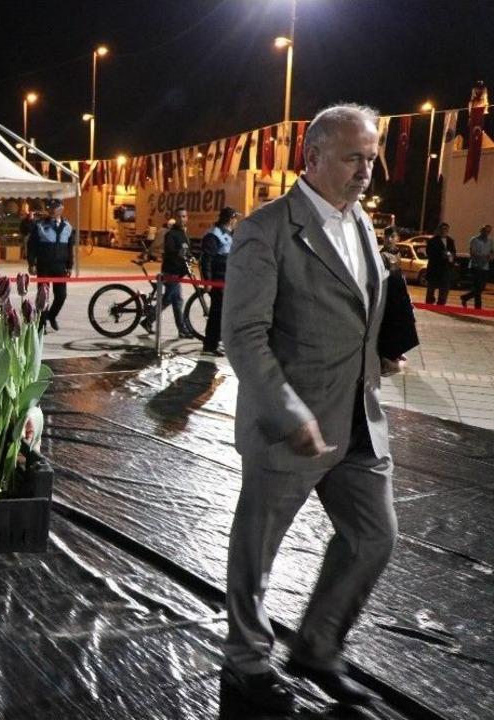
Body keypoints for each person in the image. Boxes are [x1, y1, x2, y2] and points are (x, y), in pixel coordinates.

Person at [221, 104, 404, 713]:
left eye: (371, 159)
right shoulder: (266, 229)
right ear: (314, 156)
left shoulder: (362, 225)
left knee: (374, 536)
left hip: (357, 420)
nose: (364, 172)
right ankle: (246, 663)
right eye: (354, 158)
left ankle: (317, 647)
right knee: (259, 549)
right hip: (290, 427)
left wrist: (378, 359)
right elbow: (243, 334)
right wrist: (286, 408)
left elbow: (359, 307)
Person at [26, 198, 74, 331]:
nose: (52, 210)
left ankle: (51, 316)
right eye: (50, 208)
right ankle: (41, 324)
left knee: (61, 295)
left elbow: (70, 248)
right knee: (43, 296)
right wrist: (31, 263)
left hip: (60, 266)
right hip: (44, 265)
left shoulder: (68, 227)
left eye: (55, 207)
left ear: (61, 209)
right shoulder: (40, 225)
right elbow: (32, 246)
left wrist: (70, 266)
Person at [200, 206, 239, 356]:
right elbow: (207, 260)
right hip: (218, 280)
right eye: (235, 219)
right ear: (230, 219)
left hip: (227, 280)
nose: (236, 222)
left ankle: (217, 340)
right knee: (217, 313)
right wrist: (208, 282)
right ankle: (210, 345)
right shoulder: (213, 235)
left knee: (224, 313)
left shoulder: (229, 234)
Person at [162, 209, 195, 338]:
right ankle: (182, 329)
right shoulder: (171, 234)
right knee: (177, 300)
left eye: (185, 216)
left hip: (179, 271)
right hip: (171, 271)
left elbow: (187, 250)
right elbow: (169, 251)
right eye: (180, 216)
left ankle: (148, 320)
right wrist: (178, 253)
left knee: (168, 299)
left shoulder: (184, 233)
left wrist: (192, 257)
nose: (183, 219)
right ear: (176, 218)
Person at [460, 224, 492, 309]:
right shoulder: (474, 240)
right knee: (478, 287)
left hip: (485, 267)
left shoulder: (490, 241)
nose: (487, 233)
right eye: (485, 231)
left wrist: (490, 257)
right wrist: (483, 258)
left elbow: (491, 252)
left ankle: (465, 297)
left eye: (489, 231)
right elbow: (473, 253)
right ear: (481, 231)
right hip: (476, 266)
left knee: (481, 287)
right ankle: (478, 307)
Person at [424, 222, 456, 305]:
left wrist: (450, 257)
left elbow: (453, 254)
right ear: (439, 230)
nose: (444, 231)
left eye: (446, 229)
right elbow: (429, 253)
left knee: (444, 290)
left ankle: (441, 304)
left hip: (446, 269)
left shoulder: (450, 241)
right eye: (442, 229)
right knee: (431, 289)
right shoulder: (432, 241)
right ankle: (429, 304)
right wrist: (441, 255)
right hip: (435, 268)